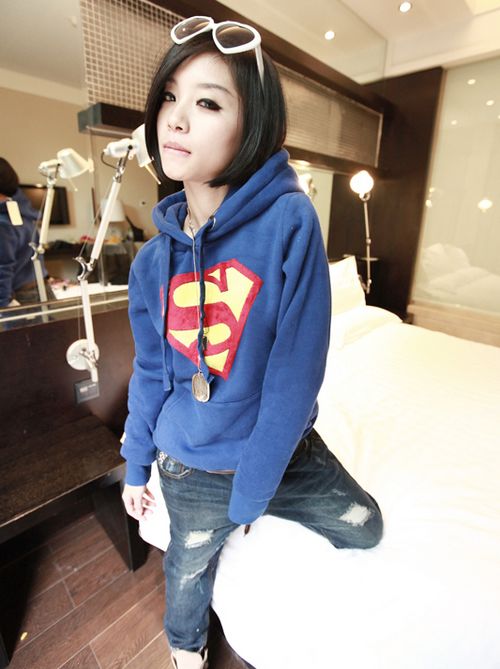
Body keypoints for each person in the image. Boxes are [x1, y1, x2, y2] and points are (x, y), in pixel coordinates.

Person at [120, 16, 383, 669]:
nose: (176, 118)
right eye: (169, 97)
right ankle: (185, 646)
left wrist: (254, 491)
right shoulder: (150, 264)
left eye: (208, 103)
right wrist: (135, 463)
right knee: (186, 569)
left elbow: (296, 371)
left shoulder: (290, 219)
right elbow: (151, 373)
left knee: (366, 526)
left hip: (283, 455)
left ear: (252, 124)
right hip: (190, 464)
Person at [0, 157, 54, 310]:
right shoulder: (23, 212)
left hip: (21, 297)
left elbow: (2, 268)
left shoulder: (3, 221)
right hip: (40, 289)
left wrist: (2, 304)